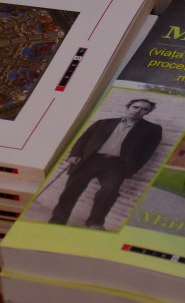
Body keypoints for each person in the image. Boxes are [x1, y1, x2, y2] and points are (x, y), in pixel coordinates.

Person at [47, 98, 163, 229]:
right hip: (90, 161)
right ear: (128, 107)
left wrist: (130, 169)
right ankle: (57, 220)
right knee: (71, 191)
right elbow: (83, 140)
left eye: (144, 109)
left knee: (109, 191)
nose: (138, 111)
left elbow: (146, 153)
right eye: (135, 107)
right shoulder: (103, 123)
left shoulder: (152, 129)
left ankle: (95, 223)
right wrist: (74, 155)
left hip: (116, 166)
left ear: (148, 112)